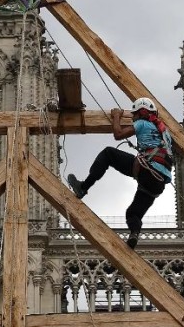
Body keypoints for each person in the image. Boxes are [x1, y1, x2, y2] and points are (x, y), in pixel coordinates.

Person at [67, 97, 173, 249]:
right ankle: (134, 234)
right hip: (158, 183)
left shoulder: (142, 123)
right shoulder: (165, 133)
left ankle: (83, 187)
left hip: (146, 170)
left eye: (134, 114)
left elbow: (118, 134)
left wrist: (116, 115)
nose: (133, 117)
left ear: (140, 113)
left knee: (108, 154)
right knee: (133, 213)